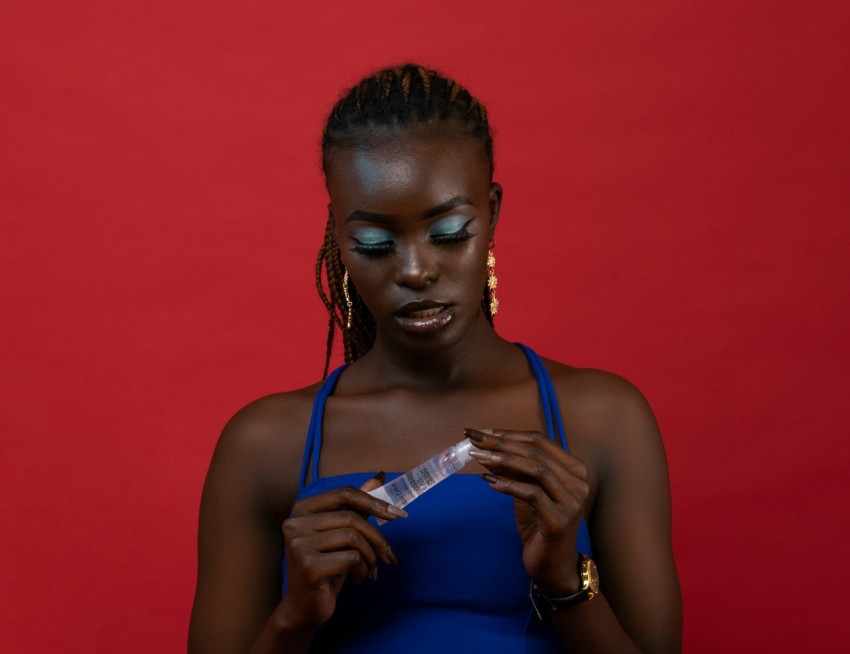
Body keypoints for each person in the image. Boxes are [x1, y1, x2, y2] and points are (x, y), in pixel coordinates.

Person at [188, 64, 682, 653]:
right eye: (374, 244)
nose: (415, 270)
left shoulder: (605, 418)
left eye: (449, 232)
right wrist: (296, 617)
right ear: (338, 237)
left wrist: (561, 579)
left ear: (491, 213)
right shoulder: (265, 443)